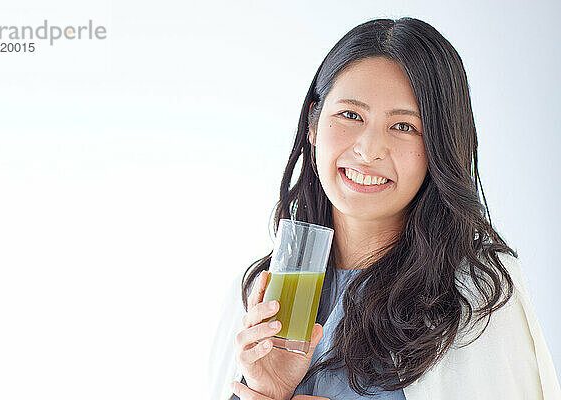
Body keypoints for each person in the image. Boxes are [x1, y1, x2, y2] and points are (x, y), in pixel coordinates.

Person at [208, 17, 561, 400]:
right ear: (313, 124)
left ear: (439, 145)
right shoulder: (258, 295)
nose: (369, 149)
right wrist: (267, 390)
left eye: (405, 126)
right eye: (351, 115)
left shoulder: (475, 296)